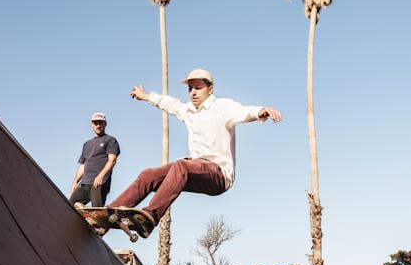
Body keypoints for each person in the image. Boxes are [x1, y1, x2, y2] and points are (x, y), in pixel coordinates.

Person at [106, 68, 282, 231]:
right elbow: (170, 104)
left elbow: (244, 111)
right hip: (193, 170)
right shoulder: (188, 110)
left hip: (218, 175)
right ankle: (108, 213)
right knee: (148, 175)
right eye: (190, 89)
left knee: (181, 165)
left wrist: (262, 111)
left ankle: (149, 217)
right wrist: (146, 96)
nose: (193, 93)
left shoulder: (222, 107)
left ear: (210, 89)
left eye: (198, 88)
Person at [70, 112, 120, 207]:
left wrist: (101, 176)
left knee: (96, 211)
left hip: (99, 183)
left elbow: (112, 160)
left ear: (105, 124)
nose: (98, 125)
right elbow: (83, 165)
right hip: (84, 183)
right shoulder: (87, 144)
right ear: (92, 124)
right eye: (95, 123)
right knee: (69, 206)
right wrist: (75, 181)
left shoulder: (110, 140)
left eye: (100, 123)